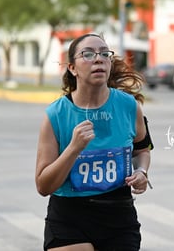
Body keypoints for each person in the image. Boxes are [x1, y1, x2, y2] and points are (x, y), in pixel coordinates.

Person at [35, 33, 153, 251]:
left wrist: (142, 173)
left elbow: (142, 150)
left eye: (104, 54)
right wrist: (73, 148)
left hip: (118, 215)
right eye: (88, 54)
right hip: (69, 216)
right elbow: (43, 185)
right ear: (72, 68)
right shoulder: (56, 114)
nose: (98, 59)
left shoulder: (129, 106)